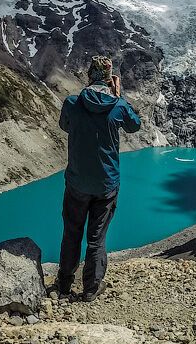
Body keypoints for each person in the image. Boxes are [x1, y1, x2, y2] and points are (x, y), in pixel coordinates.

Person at [56, 56, 141, 302]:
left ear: (88, 75)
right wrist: (118, 95)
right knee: (96, 238)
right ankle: (91, 288)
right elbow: (135, 126)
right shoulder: (118, 106)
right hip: (106, 185)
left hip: (76, 183)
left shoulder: (72, 103)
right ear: (108, 78)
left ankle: (64, 286)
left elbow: (65, 126)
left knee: (72, 232)